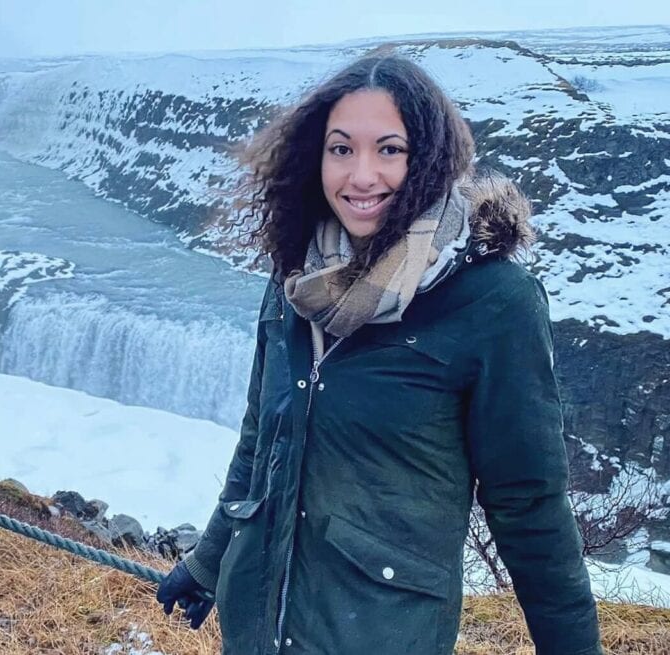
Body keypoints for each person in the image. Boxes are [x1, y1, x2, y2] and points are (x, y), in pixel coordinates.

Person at [155, 55, 603, 655]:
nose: (361, 175)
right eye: (341, 149)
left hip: (382, 635)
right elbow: (262, 439)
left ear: (430, 158)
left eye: (389, 149)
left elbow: (528, 504)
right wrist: (209, 561)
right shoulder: (295, 280)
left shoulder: (492, 303)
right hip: (259, 625)